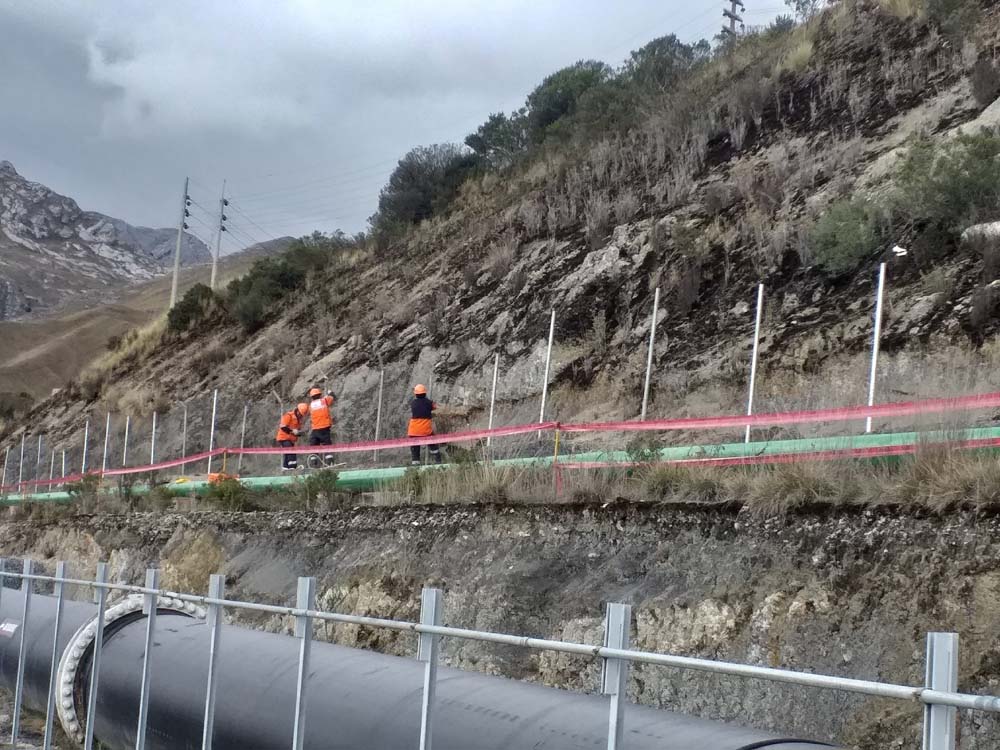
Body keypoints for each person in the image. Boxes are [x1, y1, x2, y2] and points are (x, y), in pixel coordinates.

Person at [408, 384, 442, 465]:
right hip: (425, 430)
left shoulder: (413, 403)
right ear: (425, 393)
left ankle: (415, 466)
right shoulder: (429, 403)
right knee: (433, 444)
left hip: (413, 431)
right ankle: (438, 461)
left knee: (415, 449)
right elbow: (435, 407)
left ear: (416, 394)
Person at [307, 386, 336, 464]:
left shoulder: (311, 405)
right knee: (327, 444)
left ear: (312, 397)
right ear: (319, 395)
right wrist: (329, 392)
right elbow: (333, 397)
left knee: (314, 444)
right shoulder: (324, 401)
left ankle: (314, 462)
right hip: (324, 427)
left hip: (315, 429)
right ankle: (329, 462)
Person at [275, 403, 308, 471]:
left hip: (290, 439)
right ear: (297, 410)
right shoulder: (289, 415)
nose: (300, 416)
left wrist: (300, 433)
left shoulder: (299, 421)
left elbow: (296, 432)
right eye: (300, 414)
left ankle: (285, 468)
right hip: (284, 438)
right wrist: (292, 431)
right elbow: (283, 427)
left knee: (288, 453)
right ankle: (292, 467)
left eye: (302, 415)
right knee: (291, 451)